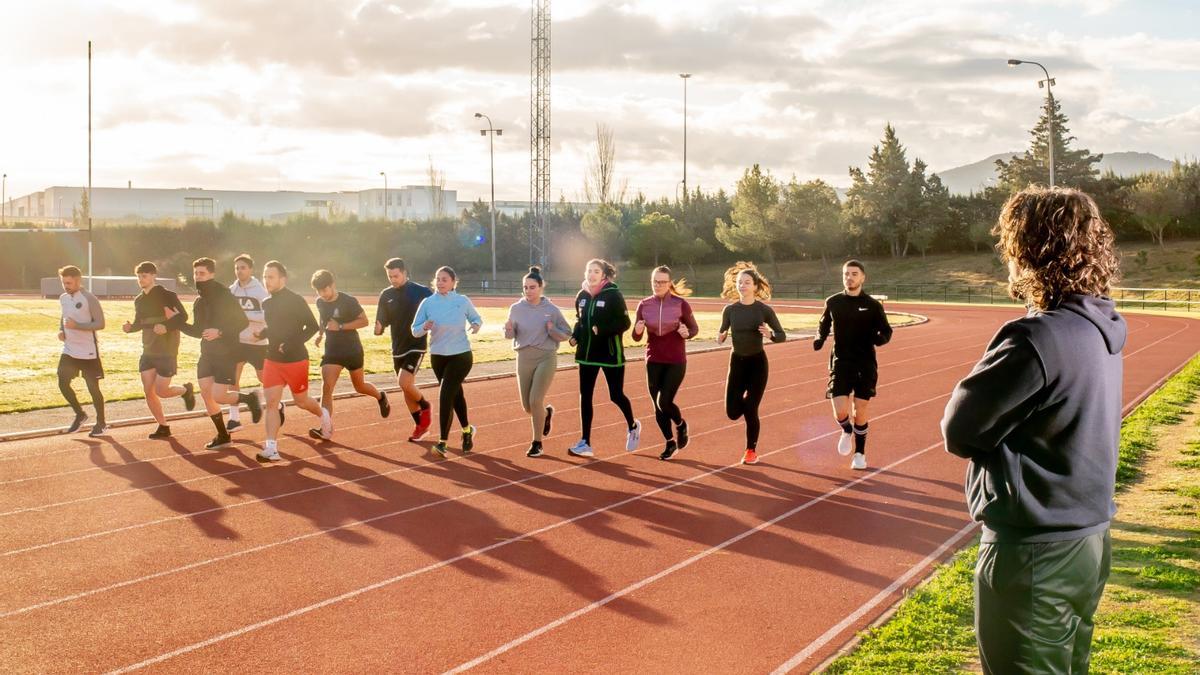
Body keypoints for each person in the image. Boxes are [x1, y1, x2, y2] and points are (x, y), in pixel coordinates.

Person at [941, 187, 1125, 674]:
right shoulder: (1100, 326)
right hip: (1087, 540)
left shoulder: (1036, 337)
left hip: (1033, 555)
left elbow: (959, 430)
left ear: (1029, 250)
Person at [170, 257, 262, 450]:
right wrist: (176, 321)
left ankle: (249, 399)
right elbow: (197, 331)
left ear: (212, 274)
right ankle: (223, 435)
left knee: (219, 396)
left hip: (227, 352)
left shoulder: (224, 295)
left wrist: (219, 332)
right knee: (206, 393)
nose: (198, 277)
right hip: (207, 353)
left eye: (202, 273)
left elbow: (242, 323)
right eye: (196, 273)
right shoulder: (199, 302)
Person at [813, 260, 893, 470]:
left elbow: (886, 330)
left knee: (861, 409)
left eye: (854, 274)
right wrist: (819, 339)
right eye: (846, 274)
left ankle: (859, 453)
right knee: (839, 410)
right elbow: (823, 326)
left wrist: (880, 339)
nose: (849, 277)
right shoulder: (833, 302)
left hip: (865, 363)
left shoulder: (873, 305)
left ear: (862, 277)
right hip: (841, 361)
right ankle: (846, 429)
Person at [255, 260, 329, 462]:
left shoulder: (295, 300)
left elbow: (312, 326)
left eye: (271, 277)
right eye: (265, 277)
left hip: (295, 360)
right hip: (272, 359)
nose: (266, 280)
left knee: (301, 401)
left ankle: (323, 416)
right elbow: (275, 327)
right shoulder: (267, 303)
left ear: (282, 279)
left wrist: (291, 344)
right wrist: (262, 333)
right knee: (271, 403)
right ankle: (271, 448)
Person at [567, 258, 640, 458]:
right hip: (586, 355)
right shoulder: (581, 296)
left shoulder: (613, 295)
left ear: (604, 275)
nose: (591, 275)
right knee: (585, 397)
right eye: (588, 271)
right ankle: (585, 442)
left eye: (596, 271)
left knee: (615, 395)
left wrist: (604, 330)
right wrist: (576, 335)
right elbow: (580, 321)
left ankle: (633, 426)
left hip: (609, 354)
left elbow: (625, 322)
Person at [717, 262, 786, 465]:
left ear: (755, 286)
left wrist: (770, 334)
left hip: (757, 364)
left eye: (747, 282)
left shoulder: (763, 310)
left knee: (751, 408)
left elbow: (782, 335)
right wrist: (720, 337)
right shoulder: (730, 310)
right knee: (732, 413)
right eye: (740, 282)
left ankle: (750, 450)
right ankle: (746, 405)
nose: (743, 286)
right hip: (737, 362)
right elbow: (722, 333)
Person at [411, 266, 482, 458]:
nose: (440, 282)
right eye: (438, 279)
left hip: (461, 355)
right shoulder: (428, 303)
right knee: (455, 395)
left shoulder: (462, 300)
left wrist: (475, 325)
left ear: (453, 282)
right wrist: (424, 327)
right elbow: (415, 330)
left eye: (444, 279)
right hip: (438, 357)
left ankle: (442, 442)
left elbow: (477, 318)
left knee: (445, 394)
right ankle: (467, 430)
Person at [310, 269, 389, 441]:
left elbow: (364, 321)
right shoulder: (320, 302)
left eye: (324, 290)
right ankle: (326, 428)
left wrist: (340, 326)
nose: (322, 294)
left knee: (359, 386)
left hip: (352, 350)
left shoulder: (349, 301)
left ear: (332, 285)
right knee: (327, 387)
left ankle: (380, 396)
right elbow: (323, 320)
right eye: (318, 291)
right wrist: (321, 334)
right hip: (332, 351)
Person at [122, 261, 196, 439]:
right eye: (138, 276)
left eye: (144, 276)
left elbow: (183, 317)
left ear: (153, 276)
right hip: (148, 349)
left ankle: (186, 390)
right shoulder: (139, 300)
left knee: (161, 391)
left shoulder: (166, 295)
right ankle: (163, 425)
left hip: (167, 349)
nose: (141, 279)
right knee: (149, 390)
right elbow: (139, 323)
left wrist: (166, 326)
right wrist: (130, 328)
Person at [631, 266, 699, 460]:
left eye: (662, 282)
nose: (658, 285)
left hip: (675, 360)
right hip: (653, 360)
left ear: (669, 283)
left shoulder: (680, 304)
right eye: (655, 281)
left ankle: (680, 424)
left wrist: (688, 333)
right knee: (657, 406)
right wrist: (637, 330)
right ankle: (670, 443)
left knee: (664, 401)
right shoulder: (644, 305)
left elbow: (694, 328)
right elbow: (636, 338)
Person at [504, 266, 572, 457]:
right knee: (527, 407)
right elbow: (510, 335)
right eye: (525, 287)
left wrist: (552, 330)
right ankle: (547, 414)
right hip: (523, 357)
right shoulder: (515, 308)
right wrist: (508, 329)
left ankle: (537, 443)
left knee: (535, 400)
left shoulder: (551, 309)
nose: (528, 291)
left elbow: (567, 333)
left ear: (541, 287)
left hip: (546, 357)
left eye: (532, 287)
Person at [375, 258, 434, 441]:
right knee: (405, 389)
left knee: (404, 383)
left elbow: (436, 310)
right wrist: (378, 327)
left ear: (405, 272)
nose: (393, 279)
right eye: (390, 276)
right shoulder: (386, 295)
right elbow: (381, 322)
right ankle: (420, 426)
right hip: (397, 347)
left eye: (396, 275)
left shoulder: (422, 292)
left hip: (416, 345)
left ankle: (425, 406)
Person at [56, 265, 108, 436]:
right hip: (69, 350)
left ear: (78, 281)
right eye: (64, 283)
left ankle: (101, 423)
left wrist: (77, 326)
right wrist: (61, 331)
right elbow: (64, 317)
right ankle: (80, 414)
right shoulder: (63, 298)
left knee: (93, 388)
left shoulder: (89, 299)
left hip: (88, 352)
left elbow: (100, 324)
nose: (66, 286)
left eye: (69, 283)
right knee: (62, 382)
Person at [227, 253, 271, 432]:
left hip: (257, 342)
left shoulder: (260, 291)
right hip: (237, 342)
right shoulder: (232, 290)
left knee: (264, 378)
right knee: (233, 379)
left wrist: (246, 316)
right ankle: (234, 419)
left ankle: (277, 405)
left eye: (243, 267)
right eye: (237, 268)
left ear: (251, 270)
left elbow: (268, 316)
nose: (239, 271)